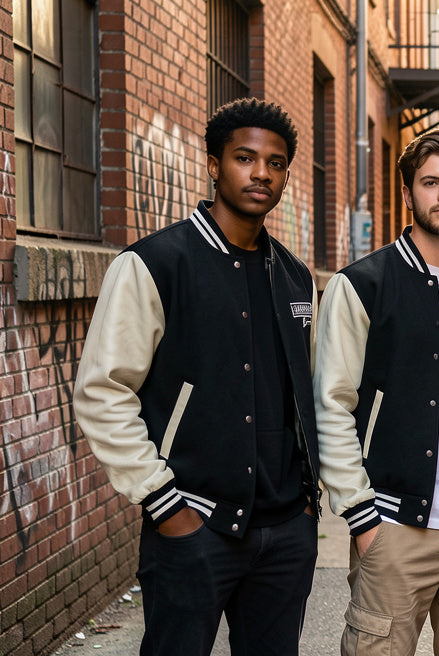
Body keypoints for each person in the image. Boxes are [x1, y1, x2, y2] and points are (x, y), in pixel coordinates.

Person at [73, 98, 319, 656]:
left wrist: (308, 503)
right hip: (193, 524)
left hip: (285, 530)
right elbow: (102, 390)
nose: (261, 173)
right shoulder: (154, 264)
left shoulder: (295, 277)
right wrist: (164, 503)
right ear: (214, 165)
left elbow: (299, 395)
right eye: (245, 158)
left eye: (276, 163)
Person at [313, 128, 439, 655]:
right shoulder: (361, 286)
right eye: (431, 182)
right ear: (407, 194)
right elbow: (331, 405)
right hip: (394, 525)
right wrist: (361, 518)